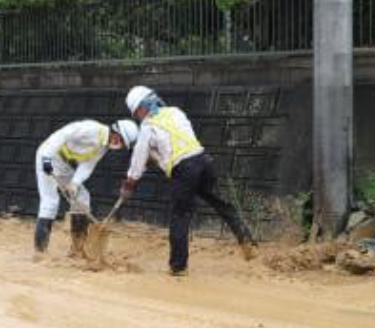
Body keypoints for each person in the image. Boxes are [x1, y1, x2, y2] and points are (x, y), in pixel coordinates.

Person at [119, 86, 255, 276]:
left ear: (142, 108)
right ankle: (245, 238)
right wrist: (157, 158)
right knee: (220, 203)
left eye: (136, 113)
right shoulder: (176, 112)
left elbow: (138, 160)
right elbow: (178, 143)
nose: (138, 117)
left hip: (184, 171)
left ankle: (178, 266)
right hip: (204, 161)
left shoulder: (147, 128)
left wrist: (129, 184)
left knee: (180, 216)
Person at [35, 119, 139, 256]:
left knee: (82, 198)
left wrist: (75, 184)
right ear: (115, 132)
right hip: (48, 157)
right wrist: (47, 157)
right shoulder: (91, 129)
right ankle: (40, 252)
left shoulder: (103, 148)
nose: (119, 145)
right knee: (50, 201)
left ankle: (77, 249)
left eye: (123, 144)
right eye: (121, 141)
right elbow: (62, 134)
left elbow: (87, 166)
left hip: (64, 165)